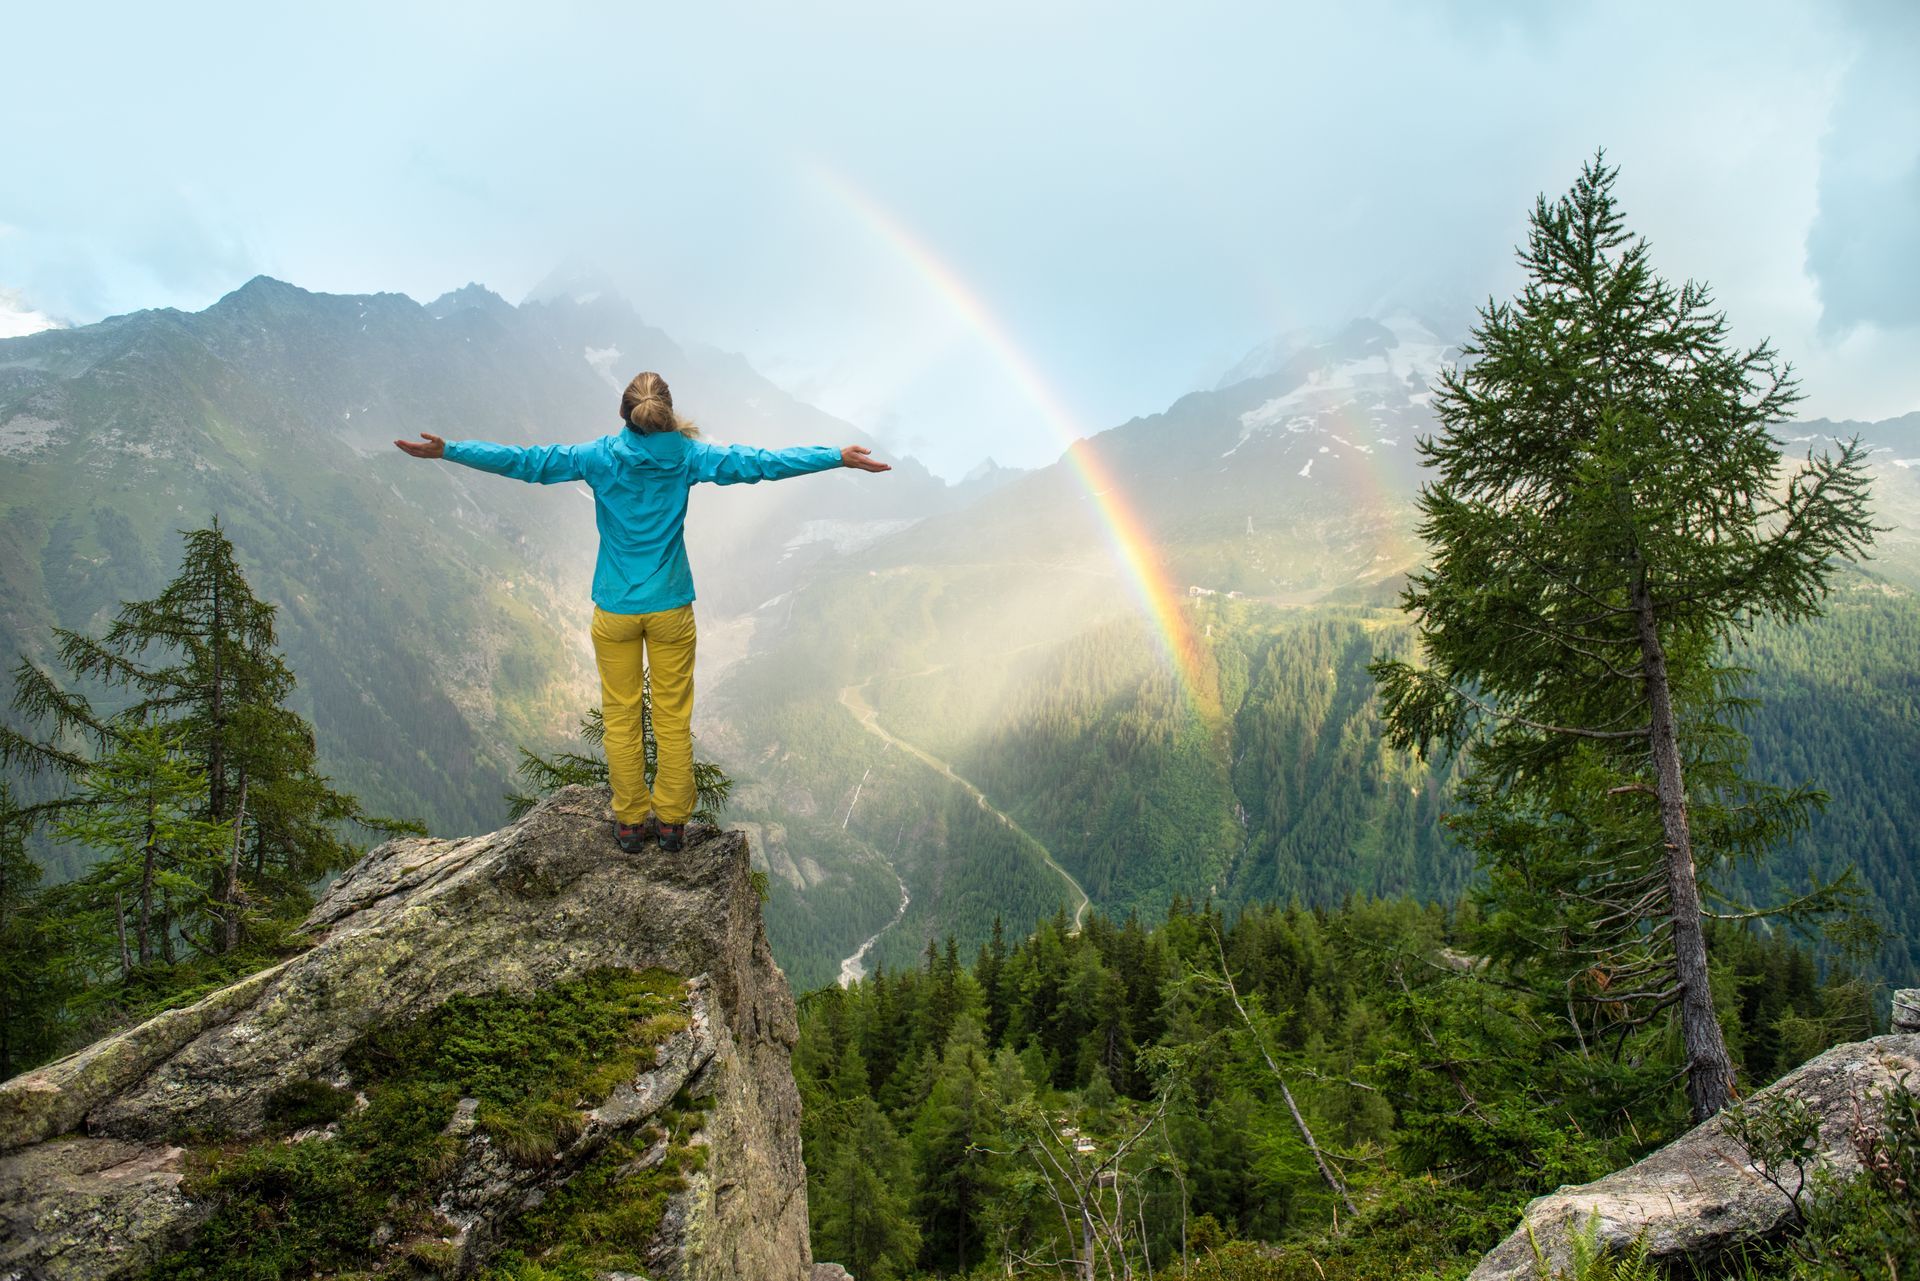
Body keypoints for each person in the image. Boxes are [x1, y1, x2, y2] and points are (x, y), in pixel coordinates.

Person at [395, 371, 890, 853]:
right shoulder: (689, 457)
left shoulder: (598, 457)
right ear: (668, 412)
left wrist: (450, 450)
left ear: (624, 414)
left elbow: (526, 462)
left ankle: (630, 822)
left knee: (621, 715)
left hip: (614, 610)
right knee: (672, 719)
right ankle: (672, 824)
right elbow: (760, 463)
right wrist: (835, 457)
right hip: (672, 606)